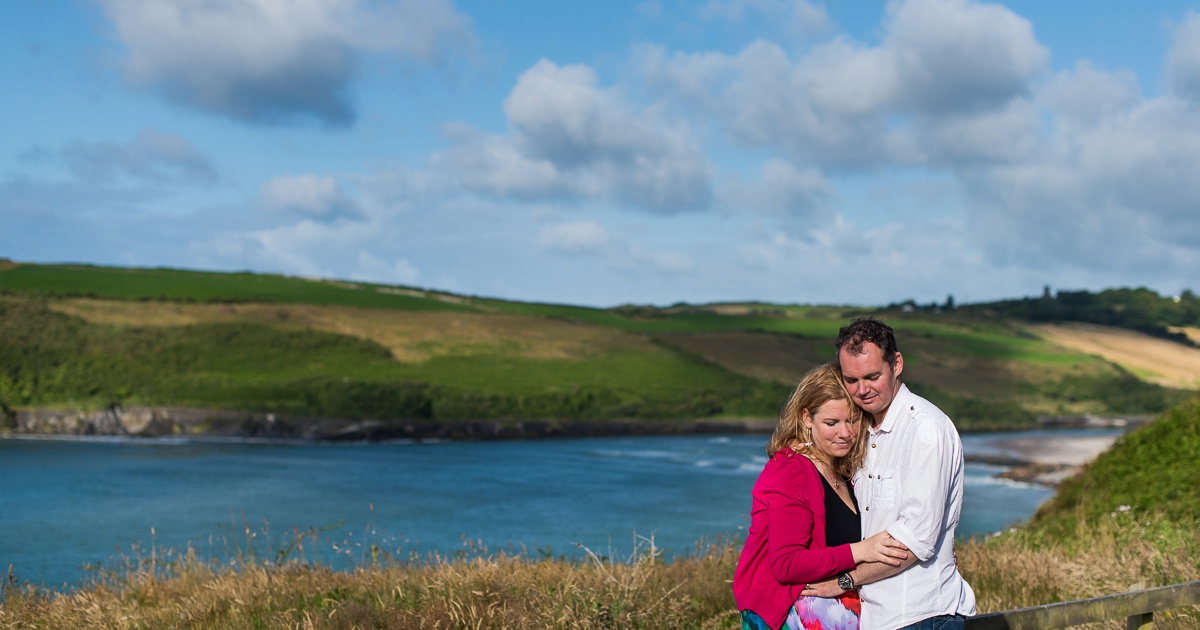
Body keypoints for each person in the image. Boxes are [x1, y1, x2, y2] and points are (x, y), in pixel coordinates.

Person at [802, 317, 976, 630]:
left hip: (922, 615)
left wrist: (843, 580)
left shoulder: (925, 430)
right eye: (851, 380)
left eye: (872, 376)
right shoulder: (861, 431)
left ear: (896, 364)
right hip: (876, 618)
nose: (862, 390)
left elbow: (912, 544)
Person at [733, 362, 909, 630]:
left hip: (834, 609)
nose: (845, 433)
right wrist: (863, 550)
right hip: (789, 614)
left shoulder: (842, 469)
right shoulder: (790, 470)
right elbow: (786, 564)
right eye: (831, 422)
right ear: (806, 418)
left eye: (852, 420)